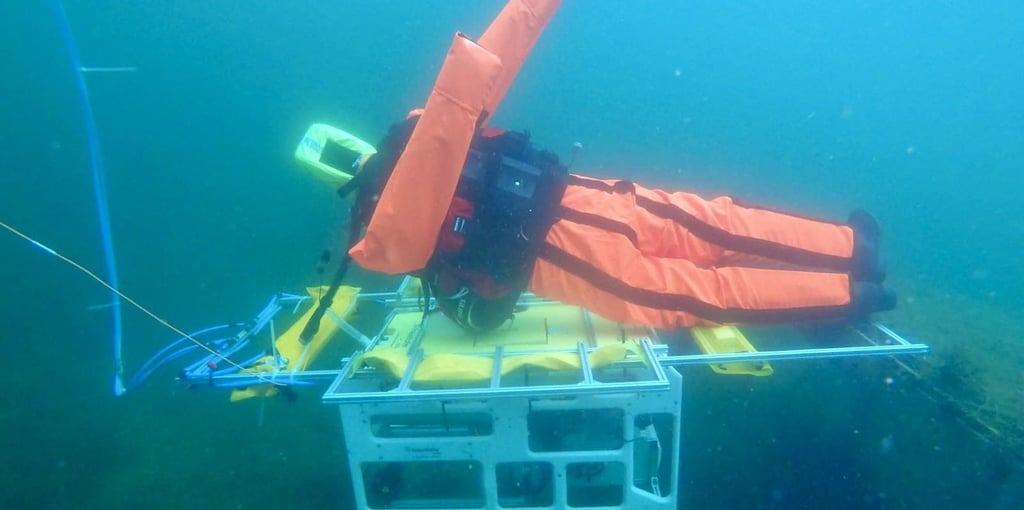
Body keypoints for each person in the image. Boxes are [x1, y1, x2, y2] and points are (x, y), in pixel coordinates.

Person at [308, 0, 895, 337]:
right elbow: (482, 70)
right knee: (712, 224)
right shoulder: (426, 129)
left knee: (699, 293)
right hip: (586, 194)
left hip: (562, 254)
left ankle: (850, 291)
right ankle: (851, 245)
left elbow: (444, 285)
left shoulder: (386, 239)